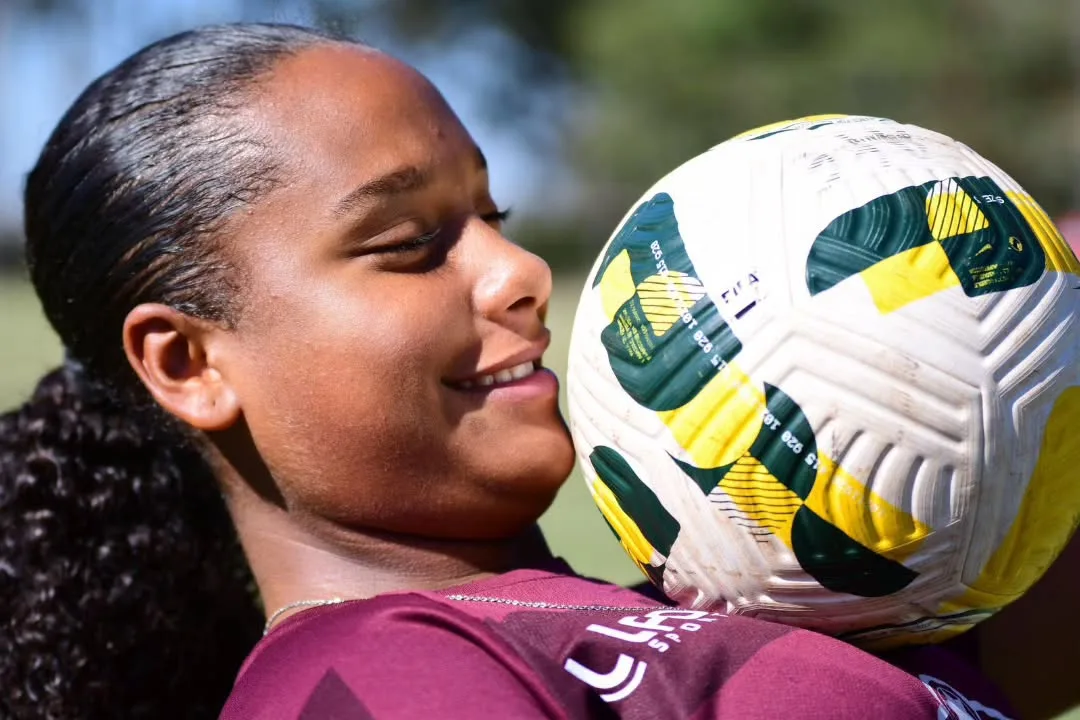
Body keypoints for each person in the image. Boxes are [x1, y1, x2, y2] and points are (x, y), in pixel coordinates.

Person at [0, 22, 1050, 719]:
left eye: (493, 218)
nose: (518, 271)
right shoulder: (376, 675)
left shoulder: (767, 590)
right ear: (188, 363)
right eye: (412, 244)